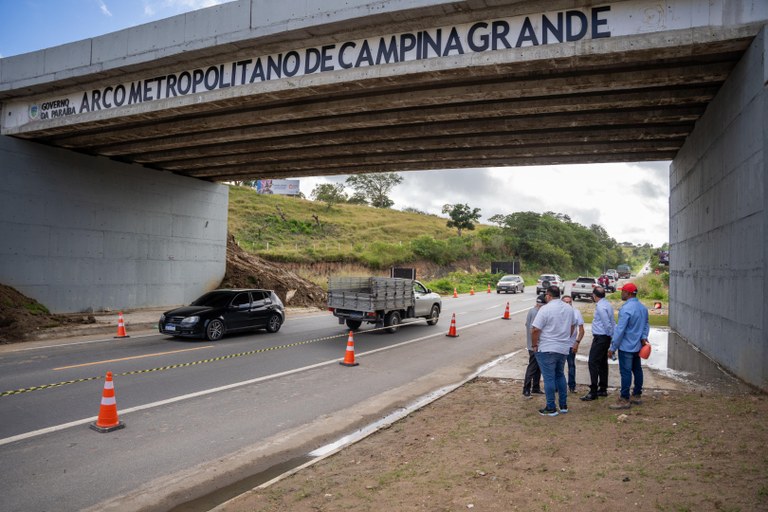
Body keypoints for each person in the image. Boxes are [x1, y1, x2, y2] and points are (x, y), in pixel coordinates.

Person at [531, 285, 575, 416]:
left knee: (549, 378)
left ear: (548, 295)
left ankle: (551, 406)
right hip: (562, 348)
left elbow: (535, 329)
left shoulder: (545, 309)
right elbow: (572, 326)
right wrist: (566, 338)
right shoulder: (568, 308)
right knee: (560, 375)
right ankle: (563, 404)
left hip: (547, 347)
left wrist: (534, 344)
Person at [607, 283, 650, 409]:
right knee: (637, 370)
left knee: (625, 372)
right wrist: (643, 338)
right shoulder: (643, 308)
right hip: (638, 345)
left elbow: (620, 330)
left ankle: (624, 399)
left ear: (629, 293)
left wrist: (613, 347)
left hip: (626, 346)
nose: (621, 293)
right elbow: (646, 324)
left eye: (623, 291)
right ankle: (637, 395)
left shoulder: (626, 309)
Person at [581, 286, 614, 401]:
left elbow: (607, 323)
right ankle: (603, 388)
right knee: (602, 363)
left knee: (593, 362)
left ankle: (593, 390)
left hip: (601, 338)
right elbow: (612, 322)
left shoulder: (600, 307)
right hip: (604, 337)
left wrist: (610, 336)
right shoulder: (607, 304)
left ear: (594, 295)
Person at [523, 294, 546, 398]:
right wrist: (534, 344)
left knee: (538, 367)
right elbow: (534, 330)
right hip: (534, 345)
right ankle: (526, 389)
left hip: (534, 344)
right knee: (532, 367)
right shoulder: (537, 312)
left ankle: (535, 387)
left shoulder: (532, 310)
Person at [561, 295, 584, 393]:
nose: (567, 304)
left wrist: (577, 342)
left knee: (571, 365)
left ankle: (572, 386)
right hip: (560, 344)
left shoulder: (576, 312)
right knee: (559, 366)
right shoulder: (558, 312)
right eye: (565, 302)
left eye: (569, 302)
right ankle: (558, 386)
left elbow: (581, 330)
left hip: (571, 344)